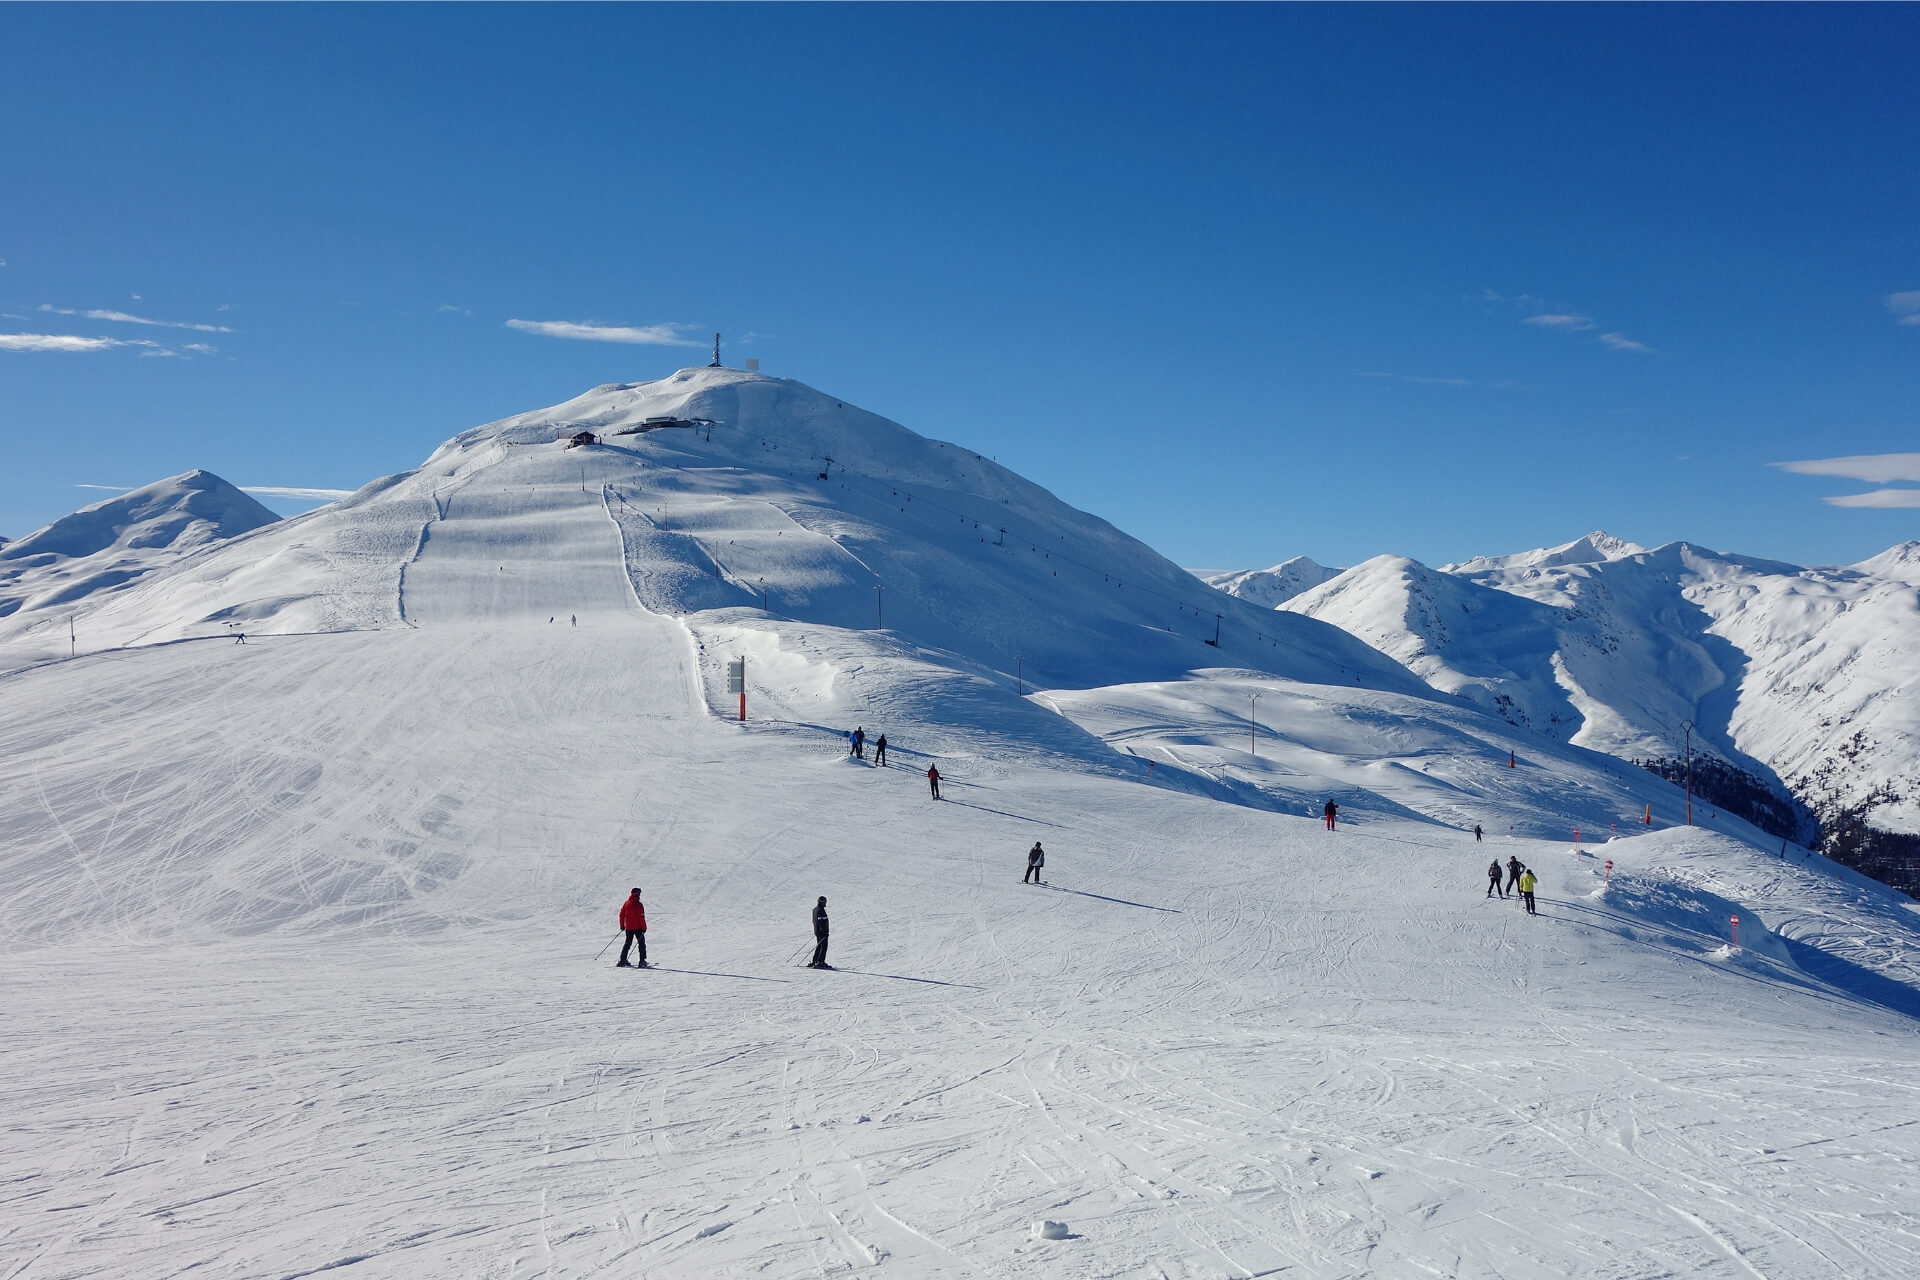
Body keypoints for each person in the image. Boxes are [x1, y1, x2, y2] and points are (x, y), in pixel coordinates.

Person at [617, 888, 648, 967]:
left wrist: (622, 925)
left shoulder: (627, 903)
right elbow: (641, 917)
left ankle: (622, 960)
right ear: (637, 894)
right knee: (641, 944)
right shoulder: (638, 904)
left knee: (627, 944)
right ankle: (642, 961)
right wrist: (644, 928)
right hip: (638, 928)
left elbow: (621, 914)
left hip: (629, 928)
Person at [809, 896, 831, 968]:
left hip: (817, 931)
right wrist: (825, 933)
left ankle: (815, 961)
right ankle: (821, 962)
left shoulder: (815, 909)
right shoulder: (821, 910)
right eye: (825, 902)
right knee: (823, 947)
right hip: (822, 932)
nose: (825, 903)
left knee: (819, 946)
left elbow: (814, 921)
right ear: (822, 902)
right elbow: (822, 922)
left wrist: (817, 930)